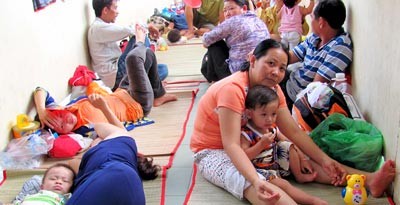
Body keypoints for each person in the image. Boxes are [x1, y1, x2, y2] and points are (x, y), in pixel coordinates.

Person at [190, 38, 396, 204]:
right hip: (215, 151)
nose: (276, 72)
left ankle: (368, 180)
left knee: (299, 153)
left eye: (282, 68)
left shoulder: (272, 89)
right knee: (255, 184)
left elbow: (294, 132)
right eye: (270, 63)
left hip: (253, 142)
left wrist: (326, 160)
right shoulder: (232, 89)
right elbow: (231, 144)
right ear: (252, 60)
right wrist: (254, 178)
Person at [35, 26, 177, 135]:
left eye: (61, 115)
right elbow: (120, 132)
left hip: (122, 91)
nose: (67, 119)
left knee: (148, 54)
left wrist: (42, 111)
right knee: (134, 58)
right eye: (61, 126)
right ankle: (140, 41)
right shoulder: (86, 130)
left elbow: (40, 90)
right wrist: (103, 107)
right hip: (138, 103)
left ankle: (158, 95)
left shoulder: (66, 108)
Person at [63, 93, 160, 205]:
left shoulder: (119, 147)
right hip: (118, 175)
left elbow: (71, 164)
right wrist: (104, 108)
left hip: (128, 185)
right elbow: (101, 126)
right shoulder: (119, 144)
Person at [241, 85, 326, 204]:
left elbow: (288, 142)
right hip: (260, 170)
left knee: (288, 146)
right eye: (264, 115)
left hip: (275, 163)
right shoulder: (247, 133)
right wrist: (260, 144)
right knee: (284, 185)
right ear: (249, 114)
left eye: (273, 114)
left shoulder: (271, 128)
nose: (270, 119)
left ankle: (299, 175)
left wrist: (302, 158)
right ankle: (311, 200)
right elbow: (243, 156)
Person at [88, 0, 174, 105]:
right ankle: (156, 94)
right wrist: (149, 27)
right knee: (140, 39)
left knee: (162, 69)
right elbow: (134, 30)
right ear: (105, 10)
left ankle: (139, 89)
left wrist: (146, 28)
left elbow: (133, 29)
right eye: (115, 8)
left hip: (118, 73)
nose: (117, 12)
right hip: (114, 76)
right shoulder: (98, 28)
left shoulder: (102, 26)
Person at [280, 0, 352, 110]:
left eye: (312, 17)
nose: (310, 20)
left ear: (321, 22)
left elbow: (314, 87)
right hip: (290, 81)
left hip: (295, 96)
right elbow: (290, 56)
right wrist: (271, 57)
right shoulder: (315, 37)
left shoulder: (340, 47)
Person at [201, 0, 269, 82]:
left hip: (238, 73)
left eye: (231, 9)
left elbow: (206, 40)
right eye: (225, 10)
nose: (227, 13)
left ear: (243, 8)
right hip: (258, 70)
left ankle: (211, 77)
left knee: (215, 43)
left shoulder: (233, 21)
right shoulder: (257, 19)